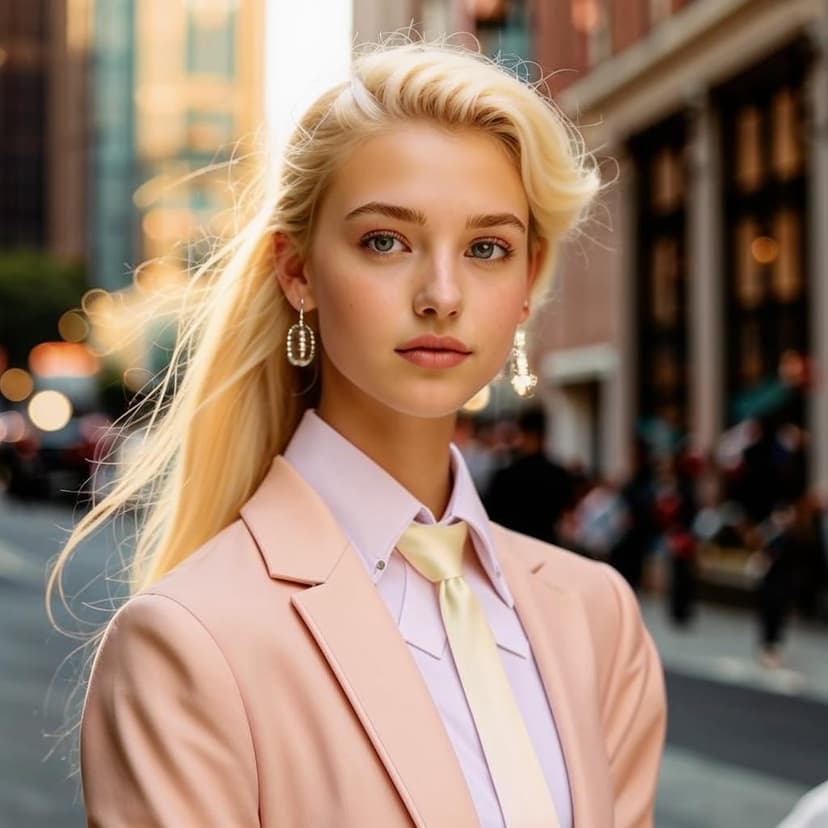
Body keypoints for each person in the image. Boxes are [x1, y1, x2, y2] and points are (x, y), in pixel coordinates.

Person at [49, 39, 666, 827]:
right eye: (386, 241)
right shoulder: (191, 640)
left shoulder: (597, 617)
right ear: (297, 271)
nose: (441, 294)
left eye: (487, 248)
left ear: (526, 286)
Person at [484, 406, 575, 545]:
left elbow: (490, 518)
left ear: (523, 434)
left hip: (512, 547)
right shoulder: (558, 474)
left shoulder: (506, 476)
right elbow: (567, 519)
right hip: (547, 546)